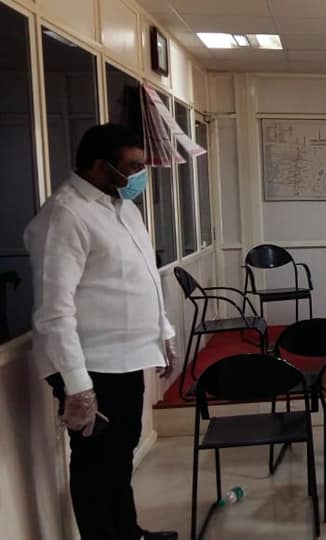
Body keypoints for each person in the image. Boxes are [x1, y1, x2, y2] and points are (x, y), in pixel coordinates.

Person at [24, 124, 179, 540]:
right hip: (92, 365)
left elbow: (144, 274)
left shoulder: (122, 207)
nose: (140, 175)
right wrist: (77, 386)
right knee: (95, 463)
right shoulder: (65, 215)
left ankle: (128, 532)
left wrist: (163, 332)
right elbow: (54, 312)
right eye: (132, 167)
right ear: (98, 165)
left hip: (128, 357)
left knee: (120, 454)